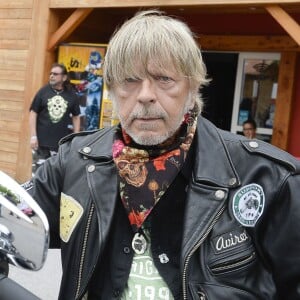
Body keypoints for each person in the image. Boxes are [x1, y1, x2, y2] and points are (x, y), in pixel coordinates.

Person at [24, 10, 300, 300]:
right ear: (113, 90)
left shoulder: (268, 178)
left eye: (164, 79)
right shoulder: (74, 161)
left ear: (192, 88)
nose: (145, 95)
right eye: (129, 80)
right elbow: (13, 222)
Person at [29, 63, 81, 162]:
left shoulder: (71, 95)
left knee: (54, 176)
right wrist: (33, 136)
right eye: (51, 73)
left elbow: (76, 116)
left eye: (55, 74)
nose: (51, 76)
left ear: (64, 77)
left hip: (60, 145)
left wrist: (76, 138)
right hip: (41, 143)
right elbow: (33, 113)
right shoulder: (43, 92)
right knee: (39, 175)